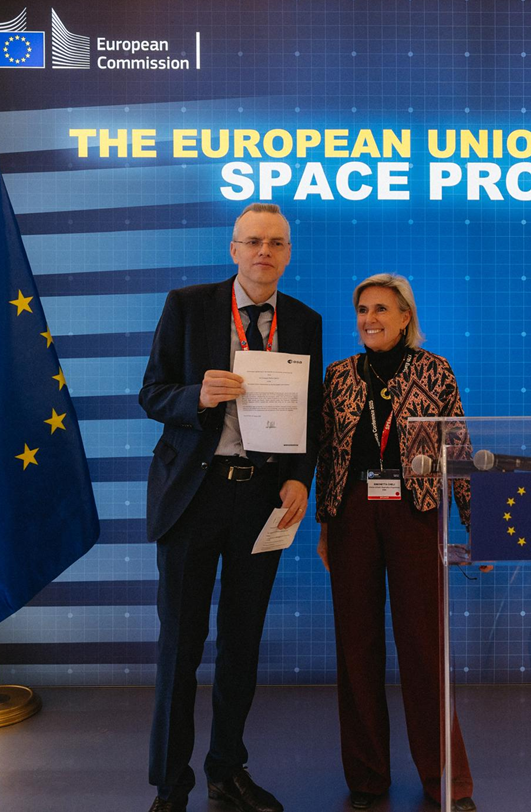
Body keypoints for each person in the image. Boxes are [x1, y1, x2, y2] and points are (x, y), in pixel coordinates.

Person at [140, 203, 323, 812]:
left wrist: (301, 479)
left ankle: (227, 770)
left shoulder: (304, 321)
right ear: (233, 249)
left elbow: (312, 416)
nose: (263, 251)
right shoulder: (187, 305)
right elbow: (152, 393)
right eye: (252, 241)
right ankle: (171, 785)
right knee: (181, 647)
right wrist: (198, 395)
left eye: (275, 242)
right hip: (194, 495)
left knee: (242, 644)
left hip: (260, 501)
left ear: (288, 253)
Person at [315, 274, 476, 811]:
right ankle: (366, 779)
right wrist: (324, 523)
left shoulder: (435, 370)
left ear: (406, 316)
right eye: (362, 309)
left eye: (381, 309)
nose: (369, 319)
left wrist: (478, 526)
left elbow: (459, 448)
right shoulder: (338, 376)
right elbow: (327, 455)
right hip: (351, 517)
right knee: (355, 649)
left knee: (423, 649)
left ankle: (446, 783)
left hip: (416, 512)